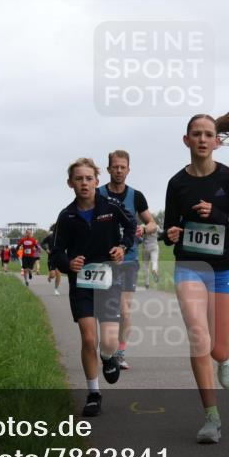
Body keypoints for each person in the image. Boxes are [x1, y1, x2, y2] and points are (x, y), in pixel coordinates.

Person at [163, 106, 229, 444]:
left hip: (223, 270)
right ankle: (211, 418)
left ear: (217, 142)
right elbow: (169, 228)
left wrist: (220, 215)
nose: (202, 139)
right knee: (198, 338)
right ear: (186, 139)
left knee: (217, 349)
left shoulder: (228, 178)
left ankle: (227, 356)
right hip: (189, 266)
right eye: (196, 134)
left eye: (208, 134)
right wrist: (170, 234)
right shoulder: (177, 183)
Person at [51, 158, 135, 416]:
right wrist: (68, 264)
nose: (84, 183)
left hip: (109, 281)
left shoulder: (111, 206)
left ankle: (109, 357)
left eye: (89, 178)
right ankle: (93, 393)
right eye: (79, 179)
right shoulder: (66, 216)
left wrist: (122, 247)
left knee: (108, 341)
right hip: (82, 285)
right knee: (89, 338)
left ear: (97, 182)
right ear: (70, 183)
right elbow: (55, 253)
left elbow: (131, 226)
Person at [99, 150, 157, 370]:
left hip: (129, 259)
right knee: (105, 309)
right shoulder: (99, 194)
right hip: (103, 261)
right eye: (115, 167)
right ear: (108, 169)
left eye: (123, 167)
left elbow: (152, 224)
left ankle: (120, 352)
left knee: (124, 310)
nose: (119, 170)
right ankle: (107, 345)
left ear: (128, 170)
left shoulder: (136, 196)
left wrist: (144, 227)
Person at [41, 224, 61, 295]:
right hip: (51, 257)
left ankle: (56, 289)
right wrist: (46, 249)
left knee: (58, 274)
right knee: (53, 275)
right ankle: (50, 276)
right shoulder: (50, 237)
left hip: (59, 257)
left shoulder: (62, 236)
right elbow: (42, 243)